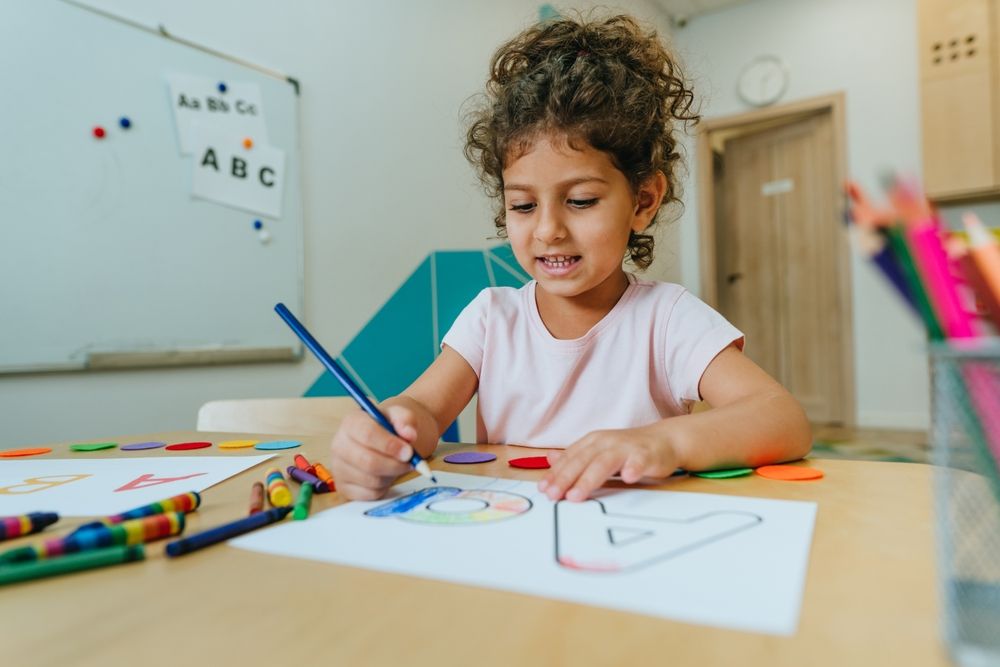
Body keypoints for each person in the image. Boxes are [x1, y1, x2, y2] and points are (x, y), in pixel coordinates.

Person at [329, 13, 811, 502]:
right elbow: (424, 412)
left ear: (643, 202)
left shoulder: (667, 320)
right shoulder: (491, 319)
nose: (547, 230)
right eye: (522, 205)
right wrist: (394, 426)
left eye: (580, 201)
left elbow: (781, 418)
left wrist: (662, 441)